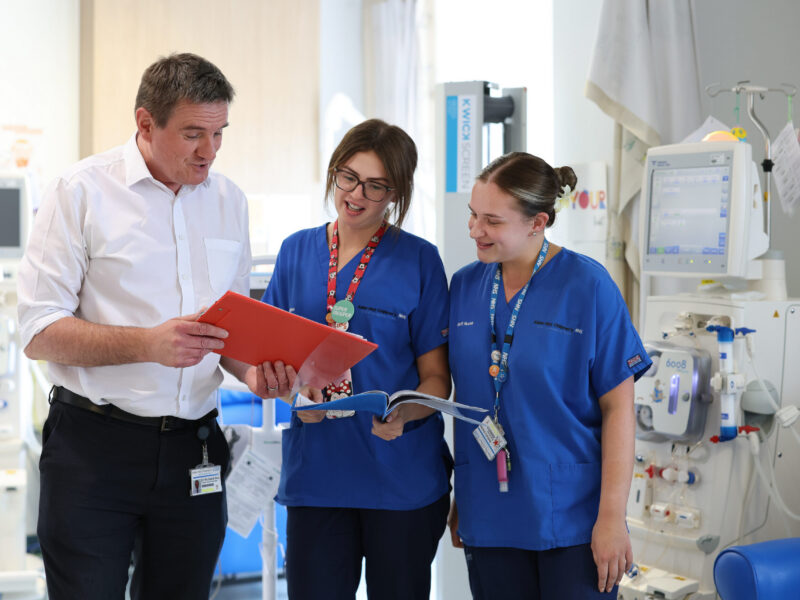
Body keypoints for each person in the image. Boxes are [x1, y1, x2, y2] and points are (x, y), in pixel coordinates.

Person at [17, 53, 292, 600]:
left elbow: (224, 332)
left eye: (219, 134)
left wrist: (253, 373)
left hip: (197, 451)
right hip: (95, 450)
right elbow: (38, 328)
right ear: (145, 124)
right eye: (193, 134)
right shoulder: (80, 192)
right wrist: (147, 344)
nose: (209, 151)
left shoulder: (229, 202)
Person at [446, 152, 652, 599]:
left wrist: (612, 518)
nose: (475, 230)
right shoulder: (464, 287)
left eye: (492, 221)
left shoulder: (589, 287)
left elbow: (619, 408)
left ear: (537, 223)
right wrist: (464, 496)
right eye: (473, 215)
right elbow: (471, 399)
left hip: (573, 519)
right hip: (488, 509)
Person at [261, 119, 452, 600]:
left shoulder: (420, 261)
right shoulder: (296, 251)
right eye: (348, 176)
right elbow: (272, 361)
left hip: (400, 479)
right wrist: (295, 389)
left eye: (375, 185)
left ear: (396, 192)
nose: (356, 194)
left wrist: (406, 413)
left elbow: (436, 380)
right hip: (319, 478)